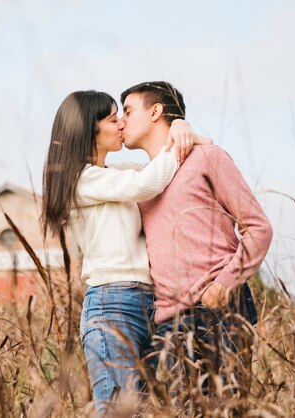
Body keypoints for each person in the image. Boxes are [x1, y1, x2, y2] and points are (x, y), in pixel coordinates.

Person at [41, 90, 207, 415]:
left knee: (140, 409)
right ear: (88, 129)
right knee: (119, 410)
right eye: (112, 118)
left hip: (150, 302)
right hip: (111, 303)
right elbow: (146, 183)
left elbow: (165, 162)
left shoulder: (117, 173)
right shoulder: (81, 180)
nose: (121, 124)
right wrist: (180, 136)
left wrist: (179, 128)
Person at [119, 81, 273, 391]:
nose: (121, 121)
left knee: (229, 409)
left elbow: (258, 228)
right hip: (168, 322)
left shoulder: (207, 158)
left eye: (128, 111)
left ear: (155, 111)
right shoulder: (140, 183)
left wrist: (223, 284)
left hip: (220, 309)